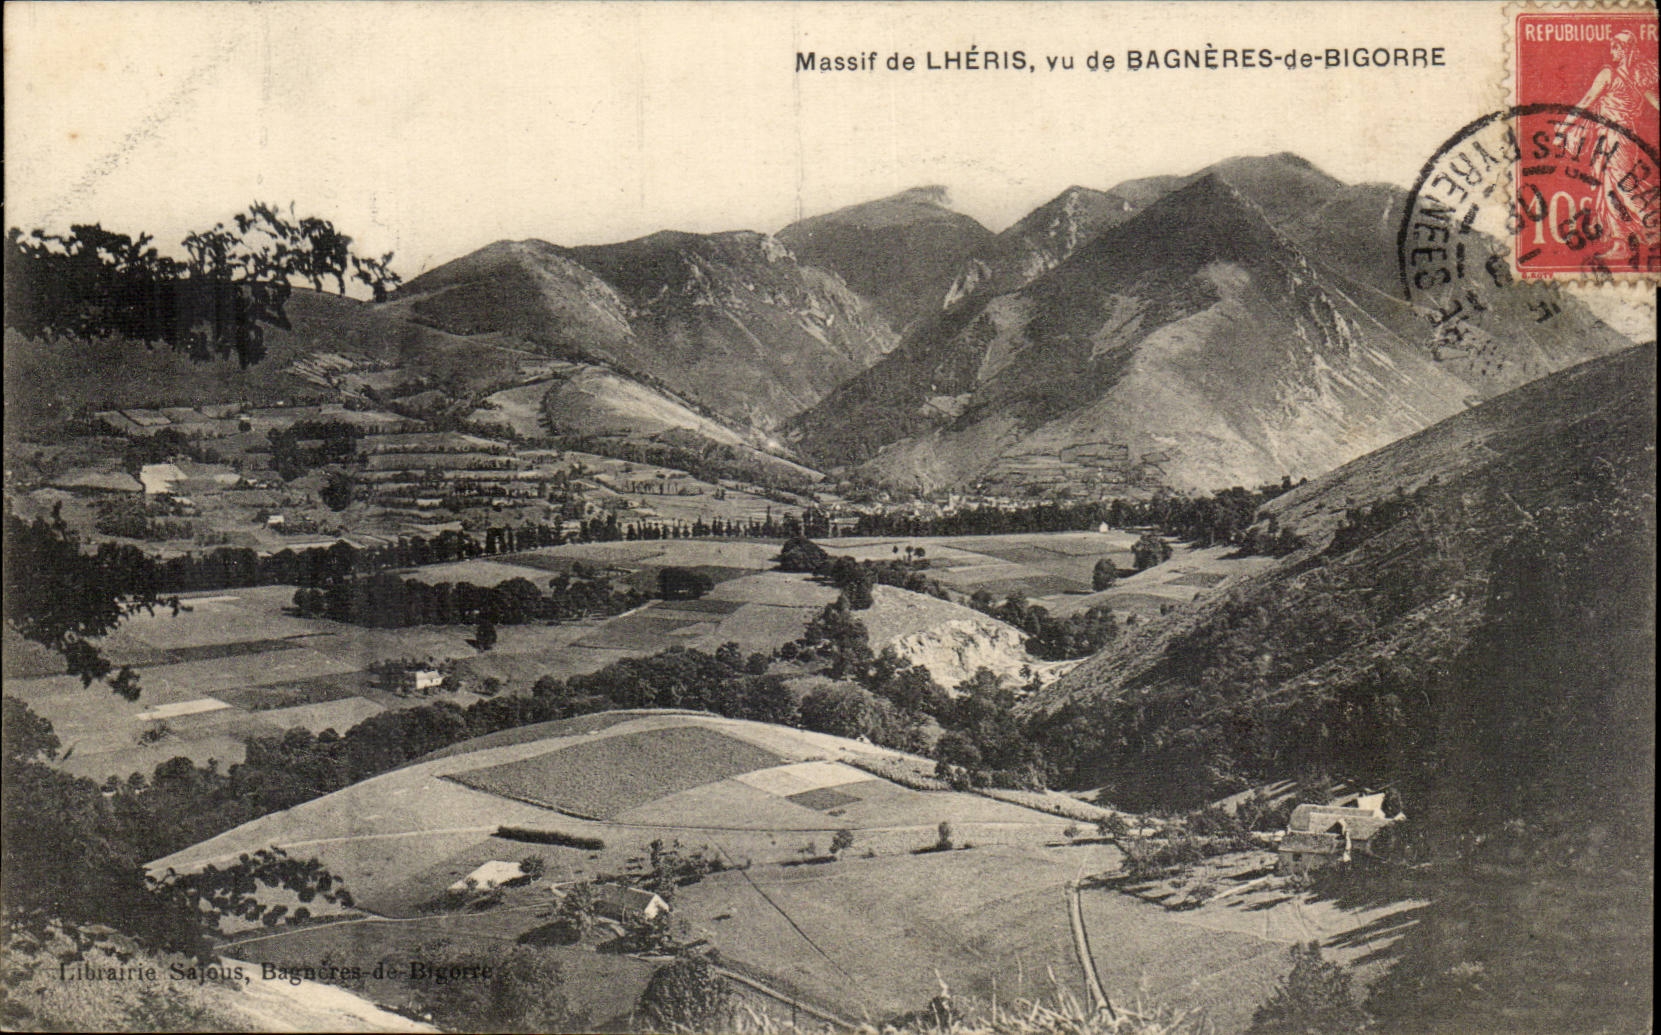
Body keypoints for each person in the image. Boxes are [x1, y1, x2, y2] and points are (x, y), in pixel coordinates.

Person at [1558, 31, 1660, 269]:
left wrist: (1563, 127)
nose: (1612, 53)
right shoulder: (1637, 77)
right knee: (1611, 186)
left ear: (1623, 50)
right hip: (1623, 138)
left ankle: (1652, 221)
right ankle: (1621, 243)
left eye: (1615, 49)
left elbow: (1585, 103)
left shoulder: (1609, 74)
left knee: (1619, 185)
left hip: (1615, 138)